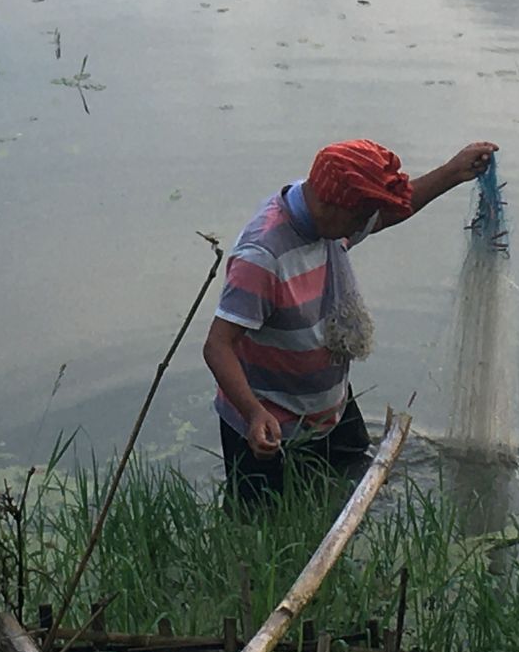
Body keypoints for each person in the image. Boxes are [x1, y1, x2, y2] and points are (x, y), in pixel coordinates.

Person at [203, 138, 499, 504]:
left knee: (349, 490)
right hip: (268, 425)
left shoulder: (326, 211)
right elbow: (218, 345)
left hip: (330, 407)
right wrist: (253, 412)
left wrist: (454, 172)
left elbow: (389, 213)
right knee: (261, 524)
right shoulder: (262, 257)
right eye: (360, 218)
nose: (364, 226)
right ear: (330, 206)